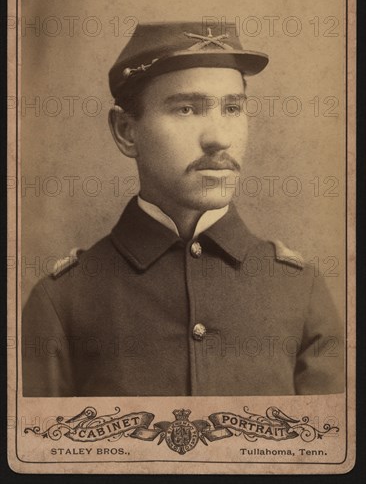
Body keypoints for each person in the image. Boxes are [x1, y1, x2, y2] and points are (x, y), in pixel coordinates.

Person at [22, 22, 344, 396]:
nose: (219, 138)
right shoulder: (62, 302)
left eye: (232, 108)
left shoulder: (300, 290)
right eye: (187, 109)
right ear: (127, 131)